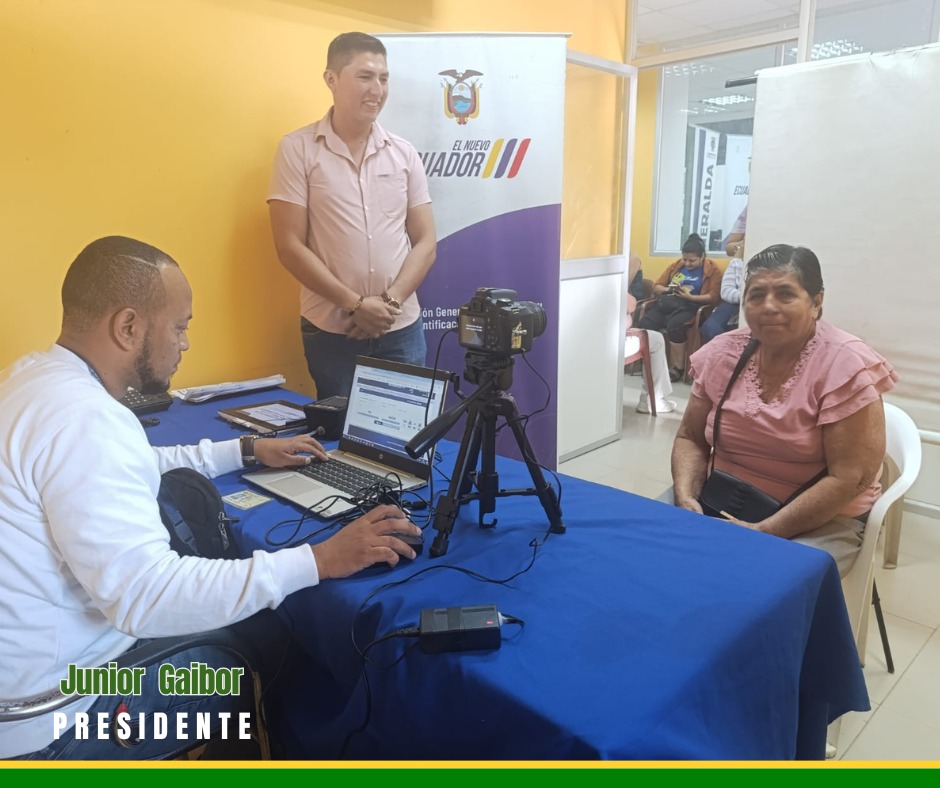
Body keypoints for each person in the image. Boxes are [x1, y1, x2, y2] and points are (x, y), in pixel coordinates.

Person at [0, 236, 422, 760]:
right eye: (179, 327)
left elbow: (133, 462)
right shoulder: (86, 420)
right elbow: (147, 598)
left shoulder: (32, 380)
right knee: (269, 643)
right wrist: (321, 559)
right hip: (60, 713)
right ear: (128, 327)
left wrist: (245, 450)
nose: (185, 344)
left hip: (26, 684)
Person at [670, 244, 898, 577]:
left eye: (785, 294)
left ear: (817, 302)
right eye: (756, 295)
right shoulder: (722, 353)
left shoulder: (845, 365)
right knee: (651, 549)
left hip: (822, 519)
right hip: (722, 495)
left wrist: (764, 531)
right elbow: (690, 437)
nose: (768, 306)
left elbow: (849, 478)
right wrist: (686, 497)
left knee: (756, 584)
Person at [268, 31, 436, 400]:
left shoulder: (404, 153)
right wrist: (356, 305)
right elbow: (289, 245)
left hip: (400, 328)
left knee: (409, 430)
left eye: (384, 78)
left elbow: (426, 241)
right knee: (339, 430)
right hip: (333, 330)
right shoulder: (297, 149)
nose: (377, 89)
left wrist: (388, 304)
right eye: (365, 76)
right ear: (331, 79)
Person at [637, 233, 721, 382]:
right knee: (646, 323)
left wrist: (691, 297)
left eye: (692, 261)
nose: (687, 263)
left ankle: (677, 367)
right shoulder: (676, 266)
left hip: (692, 305)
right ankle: (651, 365)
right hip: (669, 302)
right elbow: (657, 286)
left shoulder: (712, 270)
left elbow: (714, 296)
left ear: (702, 257)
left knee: (675, 325)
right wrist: (669, 290)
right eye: (684, 259)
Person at [625, 255, 676, 414]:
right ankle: (652, 400)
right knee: (656, 339)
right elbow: (630, 305)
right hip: (614, 343)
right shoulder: (613, 281)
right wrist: (625, 283)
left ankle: (652, 399)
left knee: (654, 334)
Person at [700, 246, 743, 343]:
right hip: (735, 302)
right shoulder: (736, 263)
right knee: (710, 328)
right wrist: (746, 296)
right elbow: (726, 292)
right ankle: (723, 350)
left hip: (757, 304)